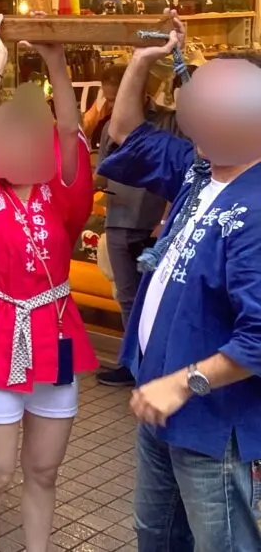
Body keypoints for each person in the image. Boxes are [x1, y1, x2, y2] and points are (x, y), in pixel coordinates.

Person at [98, 16, 261, 552]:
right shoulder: (200, 169)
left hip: (214, 423)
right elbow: (128, 132)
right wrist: (142, 62)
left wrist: (182, 383)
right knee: (158, 537)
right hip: (161, 409)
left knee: (224, 543)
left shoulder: (256, 205)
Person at [0, 15, 97, 552]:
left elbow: (68, 129)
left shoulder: (64, 196)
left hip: (56, 335)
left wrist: (56, 63)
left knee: (43, 473)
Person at [93, 64, 168, 388]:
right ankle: (132, 363)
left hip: (152, 224)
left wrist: (165, 221)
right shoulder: (111, 124)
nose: (114, 104)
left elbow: (185, 175)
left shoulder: (168, 122)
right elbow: (101, 172)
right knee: (126, 297)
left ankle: (155, 367)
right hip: (118, 218)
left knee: (155, 299)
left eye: (117, 96)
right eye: (109, 98)